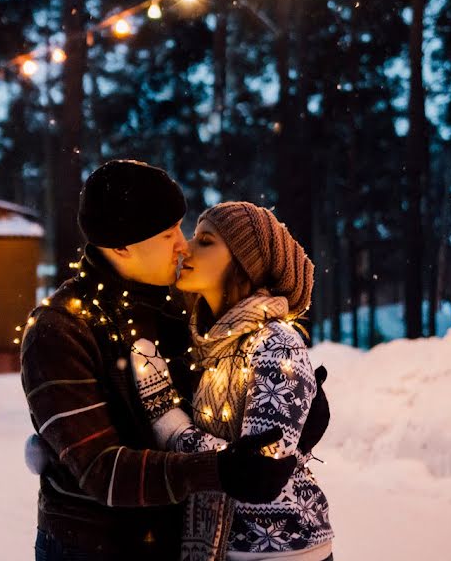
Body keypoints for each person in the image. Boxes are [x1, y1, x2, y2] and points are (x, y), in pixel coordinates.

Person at [20, 161, 299, 561]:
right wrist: (216, 471)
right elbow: (103, 470)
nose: (183, 244)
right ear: (121, 245)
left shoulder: (180, 305)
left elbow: (223, 401)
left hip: (180, 543)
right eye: (168, 234)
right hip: (93, 546)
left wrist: (291, 409)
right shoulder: (59, 327)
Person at [133, 201, 334, 560]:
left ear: (244, 263)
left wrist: (169, 423)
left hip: (281, 548)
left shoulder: (276, 343)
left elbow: (260, 471)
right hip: (226, 547)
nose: (185, 248)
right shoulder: (209, 346)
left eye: (206, 241)